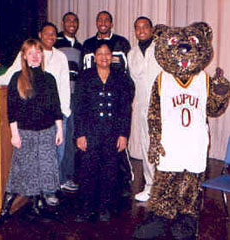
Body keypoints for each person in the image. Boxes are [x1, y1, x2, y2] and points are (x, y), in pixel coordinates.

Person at [0, 22, 71, 205]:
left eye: (38, 53)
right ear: (24, 56)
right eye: (31, 53)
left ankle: (44, 197)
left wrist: (60, 130)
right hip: (25, 132)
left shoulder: (49, 78)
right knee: (22, 170)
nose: (35, 56)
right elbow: (13, 108)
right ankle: (8, 207)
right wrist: (15, 134)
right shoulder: (17, 77)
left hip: (47, 131)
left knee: (48, 165)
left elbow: (55, 105)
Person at [74, 41, 133, 222]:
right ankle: (86, 208)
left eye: (107, 53)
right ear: (94, 57)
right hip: (90, 131)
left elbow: (125, 108)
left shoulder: (120, 77)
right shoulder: (85, 76)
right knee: (88, 170)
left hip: (112, 132)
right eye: (100, 53)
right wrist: (80, 134)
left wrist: (123, 134)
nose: (104, 57)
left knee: (110, 171)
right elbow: (79, 106)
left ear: (112, 56)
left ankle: (104, 207)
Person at [127, 16, 162, 202]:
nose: (141, 30)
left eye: (144, 27)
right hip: (142, 107)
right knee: (147, 146)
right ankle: (150, 186)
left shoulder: (161, 49)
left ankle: (165, 188)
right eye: (137, 28)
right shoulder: (131, 54)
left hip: (163, 107)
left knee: (165, 147)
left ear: (151, 28)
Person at [54, 12, 82, 192]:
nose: (72, 23)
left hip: (74, 98)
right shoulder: (54, 43)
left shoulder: (80, 46)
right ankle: (54, 178)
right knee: (58, 139)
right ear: (63, 23)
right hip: (57, 97)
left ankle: (66, 177)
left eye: (75, 21)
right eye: (68, 20)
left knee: (71, 138)